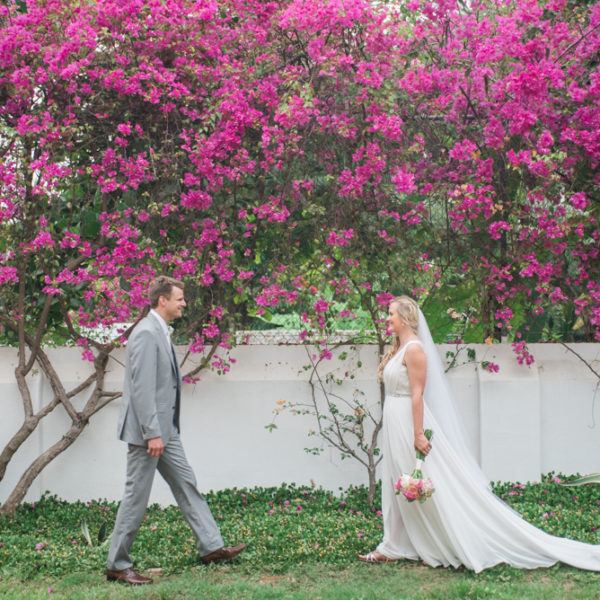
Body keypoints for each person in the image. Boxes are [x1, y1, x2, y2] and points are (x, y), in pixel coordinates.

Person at [359, 295, 600, 572]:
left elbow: (417, 394)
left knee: (420, 481)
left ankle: (437, 542)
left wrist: (418, 434)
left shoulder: (414, 350)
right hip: (394, 419)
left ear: (405, 317)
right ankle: (395, 544)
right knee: (396, 482)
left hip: (407, 422)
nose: (387, 318)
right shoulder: (400, 348)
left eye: (391, 314)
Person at [106, 276, 246, 585]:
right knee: (136, 497)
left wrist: (164, 430)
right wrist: (152, 432)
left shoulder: (160, 330)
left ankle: (211, 546)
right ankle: (117, 564)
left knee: (186, 483)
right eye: (179, 298)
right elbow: (141, 389)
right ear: (162, 301)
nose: (184, 303)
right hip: (149, 433)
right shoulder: (144, 333)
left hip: (166, 431)